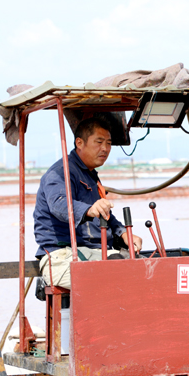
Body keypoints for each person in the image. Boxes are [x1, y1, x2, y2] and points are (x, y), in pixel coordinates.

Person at [34, 117, 143, 289]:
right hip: (61, 257)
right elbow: (59, 204)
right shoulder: (60, 173)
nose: (105, 148)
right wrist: (89, 210)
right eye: (99, 142)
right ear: (79, 142)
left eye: (108, 143)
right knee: (119, 279)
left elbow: (105, 215)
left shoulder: (90, 175)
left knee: (144, 268)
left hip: (93, 252)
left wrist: (123, 234)